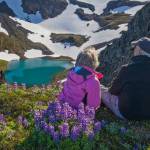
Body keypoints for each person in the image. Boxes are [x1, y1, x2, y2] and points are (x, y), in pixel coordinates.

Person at [101, 37, 150, 120]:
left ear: (139, 49)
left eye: (134, 48)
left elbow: (113, 91)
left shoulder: (127, 69)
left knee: (100, 89)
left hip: (126, 113)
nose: (133, 50)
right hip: (148, 115)